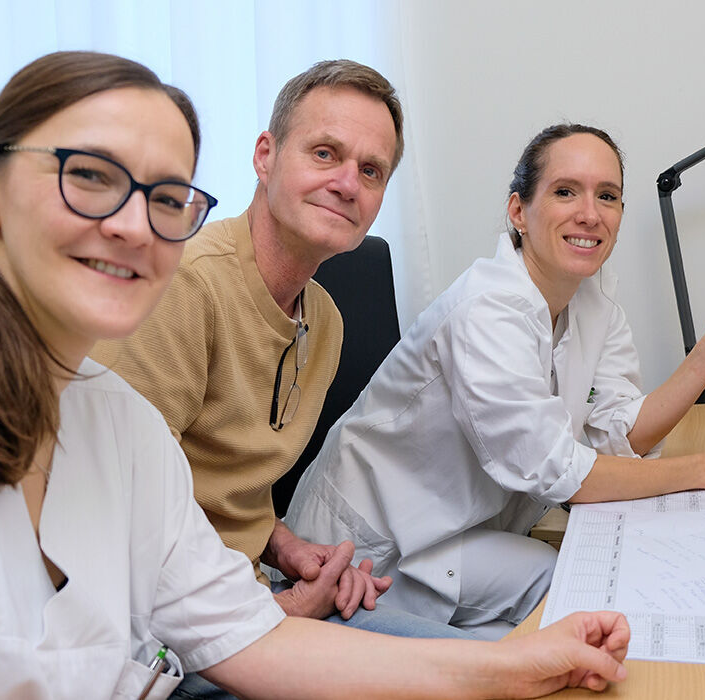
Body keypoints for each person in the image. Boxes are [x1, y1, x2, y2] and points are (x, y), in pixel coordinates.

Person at [0, 52, 631, 699]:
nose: (131, 225)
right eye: (89, 177)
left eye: (165, 198)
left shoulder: (118, 420)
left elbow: (246, 637)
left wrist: (520, 667)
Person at [285, 123, 705, 638]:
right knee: (581, 600)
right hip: (375, 551)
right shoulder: (488, 310)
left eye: (608, 196)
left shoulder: (592, 298)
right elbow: (559, 473)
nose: (590, 214)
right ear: (518, 212)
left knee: (593, 604)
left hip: (457, 535)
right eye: (565, 191)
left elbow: (617, 434)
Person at [91, 61, 478, 642]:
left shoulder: (323, 322)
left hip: (250, 593)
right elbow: (119, 520)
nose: (348, 183)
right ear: (265, 155)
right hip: (169, 627)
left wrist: (288, 548)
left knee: (497, 651)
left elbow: (222, 486)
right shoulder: (182, 288)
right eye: (325, 153)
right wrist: (279, 612)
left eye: (370, 171)